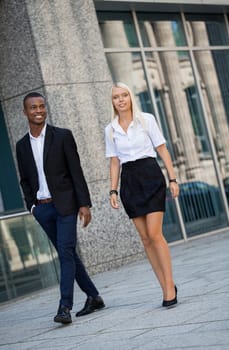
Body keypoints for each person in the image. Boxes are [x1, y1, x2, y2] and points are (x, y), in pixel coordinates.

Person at [16, 92, 105, 324]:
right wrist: (32, 207)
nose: (38, 110)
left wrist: (84, 204)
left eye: (42, 106)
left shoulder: (62, 136)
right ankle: (94, 297)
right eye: (33, 107)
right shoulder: (22, 145)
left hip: (66, 205)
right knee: (69, 254)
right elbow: (24, 179)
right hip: (43, 210)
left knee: (65, 253)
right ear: (25, 112)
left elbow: (76, 171)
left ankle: (64, 306)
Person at [105, 82, 179, 308]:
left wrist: (173, 178)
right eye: (116, 97)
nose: (121, 100)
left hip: (150, 175)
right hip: (129, 181)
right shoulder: (110, 129)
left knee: (155, 234)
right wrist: (113, 189)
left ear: (130, 97)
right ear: (113, 102)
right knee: (145, 239)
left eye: (124, 95)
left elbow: (162, 149)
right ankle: (164, 285)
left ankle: (169, 288)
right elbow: (115, 162)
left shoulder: (147, 119)